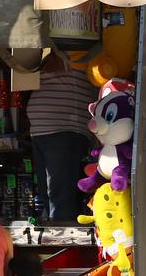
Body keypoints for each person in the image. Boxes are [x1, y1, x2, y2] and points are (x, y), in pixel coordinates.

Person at [27, 51, 97, 220]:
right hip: (52, 128)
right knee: (54, 193)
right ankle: (58, 234)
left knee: (57, 193)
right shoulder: (64, 51)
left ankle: (59, 236)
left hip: (58, 127)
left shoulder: (67, 50)